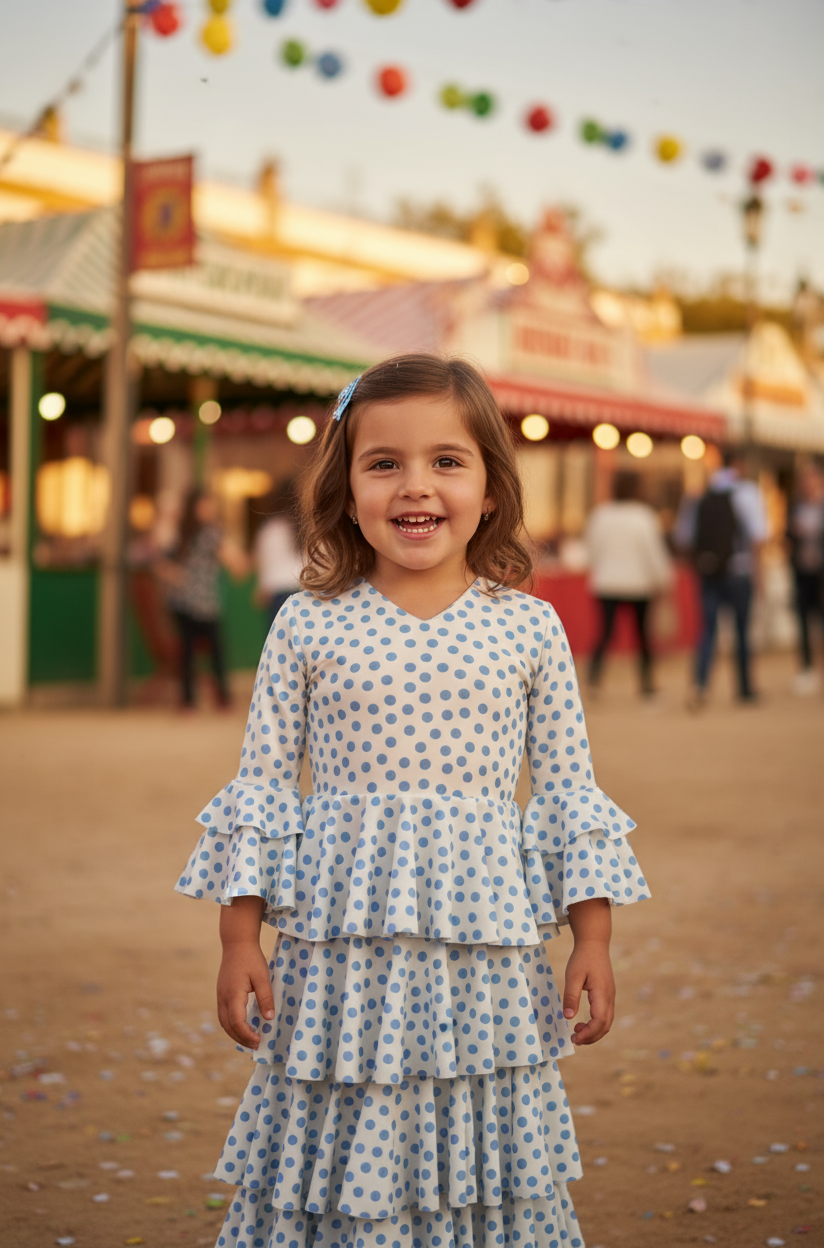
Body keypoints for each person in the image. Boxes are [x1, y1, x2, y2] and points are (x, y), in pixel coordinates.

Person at [175, 355, 650, 1248]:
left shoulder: (529, 627)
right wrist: (240, 938)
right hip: (335, 967)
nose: (414, 486)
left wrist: (593, 936)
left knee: (478, 1139)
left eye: (446, 460)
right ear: (346, 489)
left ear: (491, 488)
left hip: (486, 961)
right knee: (339, 1134)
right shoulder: (307, 623)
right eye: (383, 462)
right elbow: (266, 789)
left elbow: (566, 795)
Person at [676, 449, 769, 707]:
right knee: (741, 630)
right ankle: (744, 687)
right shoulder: (747, 493)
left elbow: (683, 539)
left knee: (707, 630)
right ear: (739, 463)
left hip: (708, 572)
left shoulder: (698, 494)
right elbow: (757, 537)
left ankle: (701, 684)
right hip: (739, 571)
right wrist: (759, 575)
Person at [160, 488, 249, 710]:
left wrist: (175, 575)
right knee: (212, 652)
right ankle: (222, 699)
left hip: (184, 602)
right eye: (205, 504)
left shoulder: (184, 531)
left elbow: (159, 561)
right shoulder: (208, 533)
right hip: (200, 603)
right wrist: (240, 563)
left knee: (190, 652)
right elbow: (235, 562)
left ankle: (190, 702)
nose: (209, 509)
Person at [586, 471, 672, 696]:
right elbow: (654, 553)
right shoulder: (643, 516)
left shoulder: (600, 515)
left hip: (606, 583)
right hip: (639, 584)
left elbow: (592, 550)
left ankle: (593, 682)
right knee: (643, 636)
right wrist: (663, 579)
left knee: (605, 634)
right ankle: (646, 686)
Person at [787, 463, 824, 693]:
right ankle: (807, 669)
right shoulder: (795, 508)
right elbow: (786, 536)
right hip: (801, 573)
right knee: (803, 623)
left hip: (821, 573)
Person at [253, 479, 304, 634]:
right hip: (303, 589)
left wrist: (261, 588)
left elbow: (264, 562)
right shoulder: (306, 528)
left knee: (280, 649)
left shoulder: (269, 529)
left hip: (278, 594)